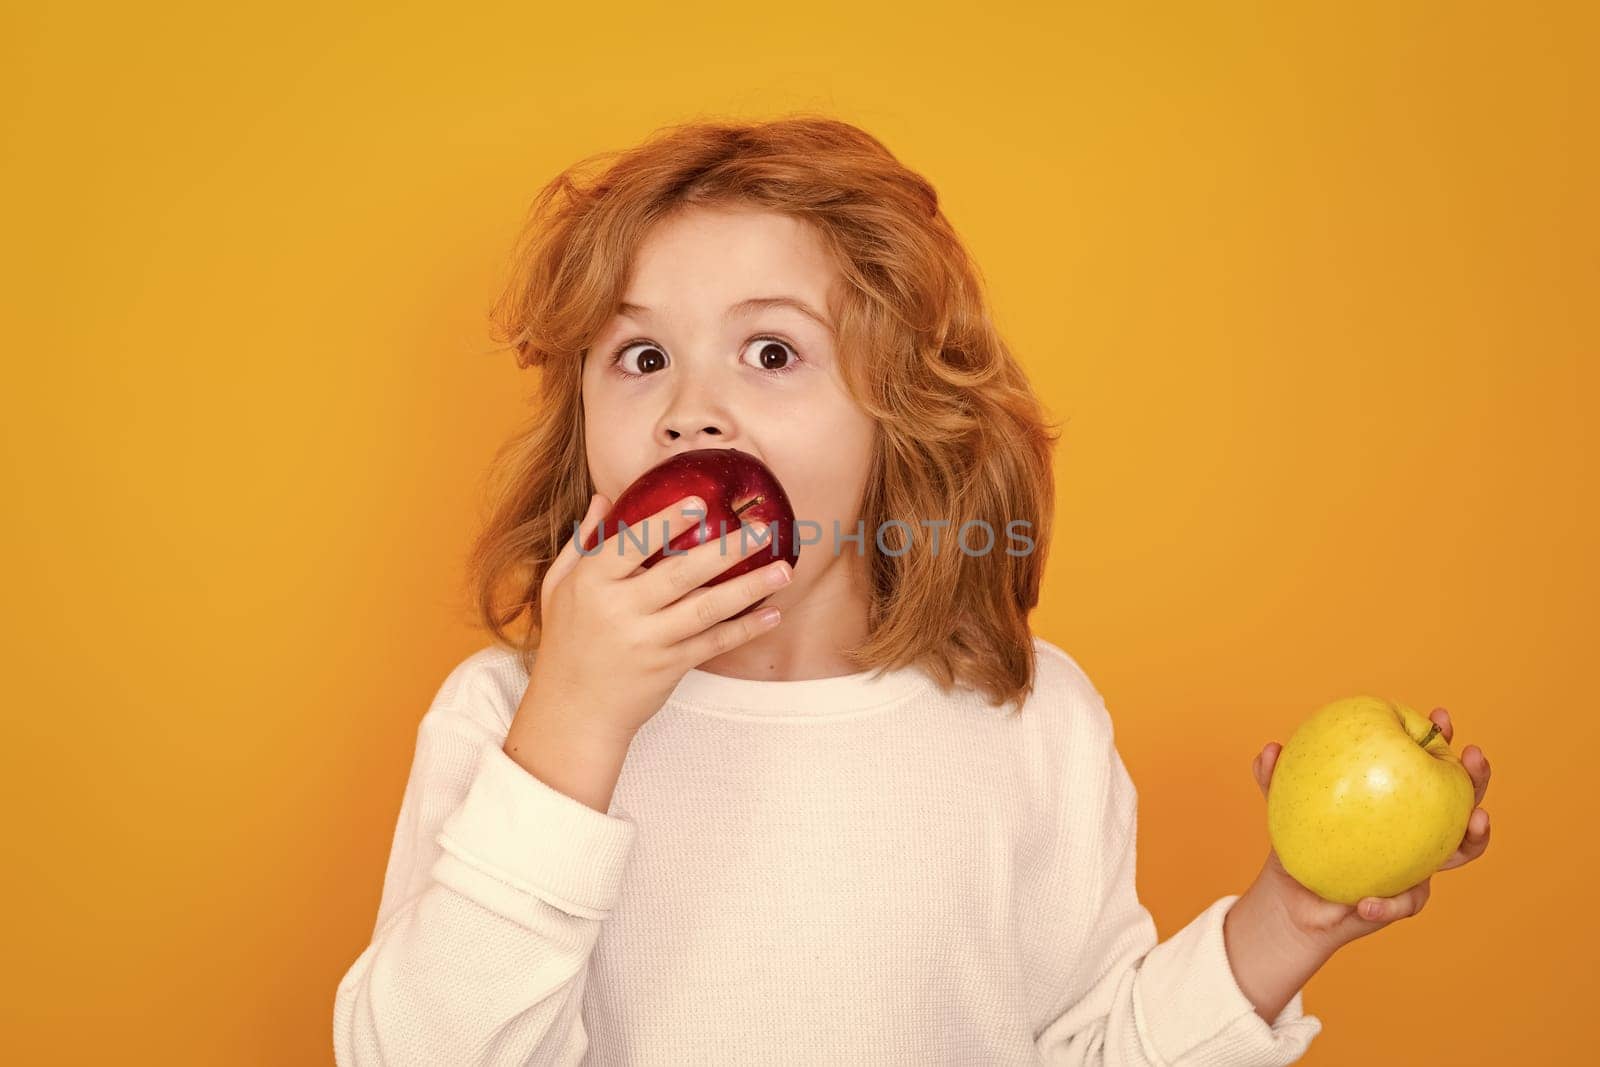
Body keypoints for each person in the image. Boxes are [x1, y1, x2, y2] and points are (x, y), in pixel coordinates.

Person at [333, 115, 1493, 1065]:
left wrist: (1289, 916)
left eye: (772, 350)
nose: (689, 408)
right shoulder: (506, 724)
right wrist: (573, 728)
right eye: (640, 357)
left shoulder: (1026, 722)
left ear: (903, 414)